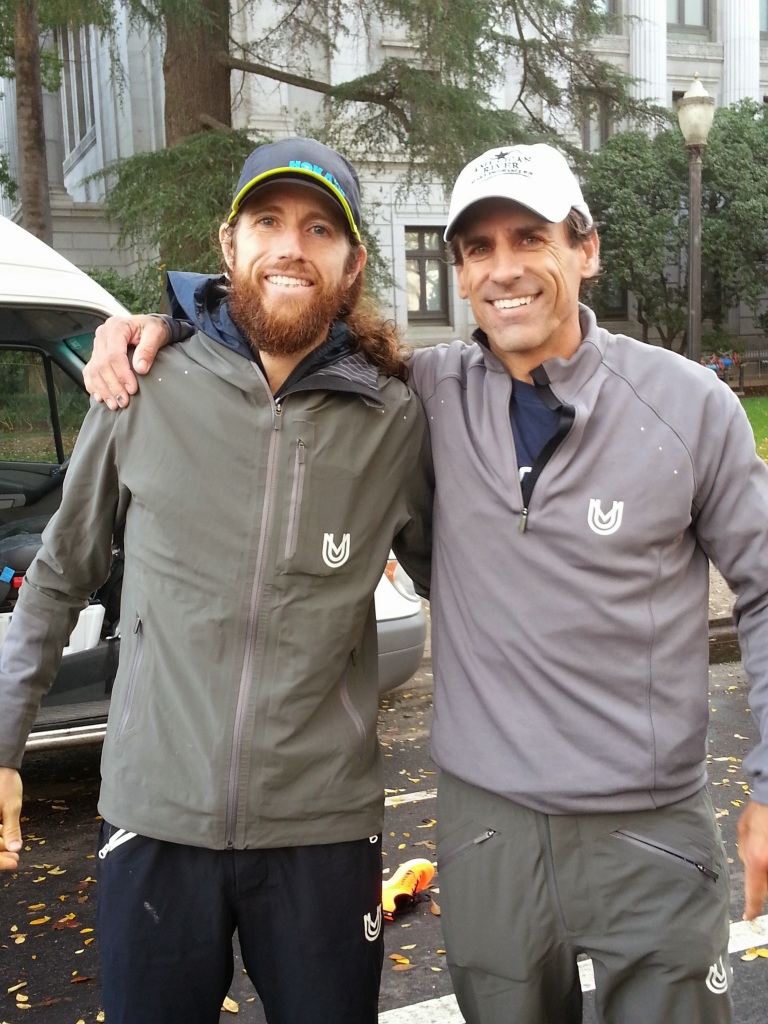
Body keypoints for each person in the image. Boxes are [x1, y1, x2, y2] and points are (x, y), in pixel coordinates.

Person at [72, 142, 768, 1024]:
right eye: (478, 248)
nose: (504, 269)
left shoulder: (689, 405)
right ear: (459, 270)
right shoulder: (421, 394)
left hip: (650, 830)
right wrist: (160, 325)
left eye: (531, 238)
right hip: (488, 832)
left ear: (586, 250)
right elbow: (286, 344)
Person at [0, 137, 432, 1024]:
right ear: (229, 245)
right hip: (154, 820)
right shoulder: (142, 388)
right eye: (268, 222)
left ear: (350, 267)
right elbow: (55, 580)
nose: (291, 247)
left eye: (320, 230)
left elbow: (472, 589)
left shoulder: (396, 421)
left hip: (322, 833)